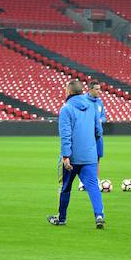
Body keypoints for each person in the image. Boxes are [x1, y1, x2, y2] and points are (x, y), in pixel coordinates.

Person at [48, 79, 105, 229]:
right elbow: (99, 131)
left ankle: (62, 218)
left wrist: (66, 156)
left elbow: (65, 135)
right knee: (93, 186)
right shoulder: (92, 107)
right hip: (90, 156)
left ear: (70, 92)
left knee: (66, 187)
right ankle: (99, 215)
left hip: (72, 157)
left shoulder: (66, 109)